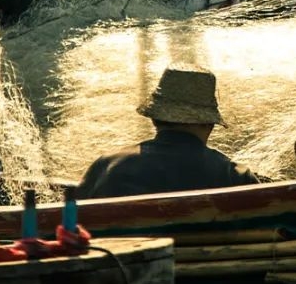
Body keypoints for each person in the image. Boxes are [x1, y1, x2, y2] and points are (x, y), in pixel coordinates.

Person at [75, 65, 261, 199]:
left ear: (155, 119)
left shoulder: (106, 167)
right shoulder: (234, 176)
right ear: (209, 124)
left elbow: (73, 223)